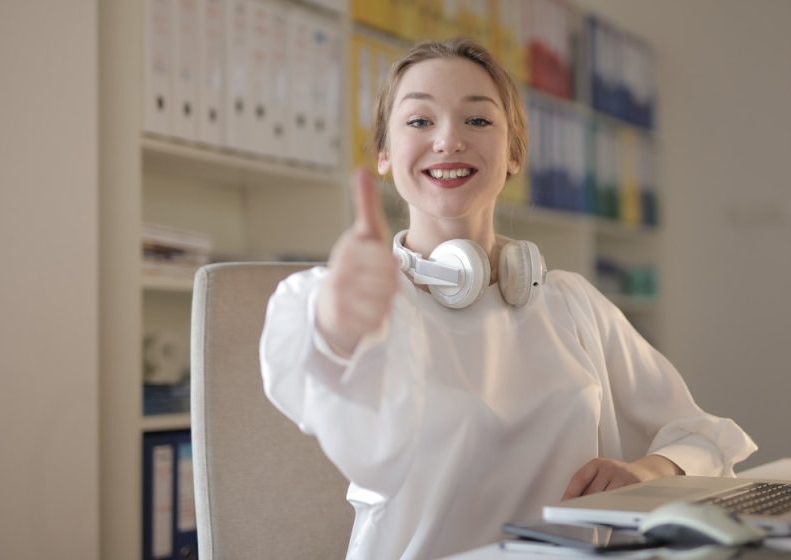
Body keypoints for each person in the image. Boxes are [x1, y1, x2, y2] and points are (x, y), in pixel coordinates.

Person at [260, 38, 757, 560]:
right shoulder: (366, 305)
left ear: (514, 154)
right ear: (384, 154)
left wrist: (646, 470)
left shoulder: (570, 303)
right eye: (419, 121)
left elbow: (704, 436)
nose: (448, 140)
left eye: (477, 121)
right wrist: (338, 326)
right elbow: (321, 373)